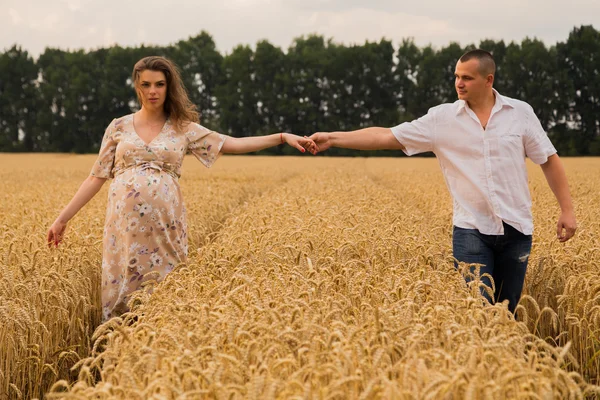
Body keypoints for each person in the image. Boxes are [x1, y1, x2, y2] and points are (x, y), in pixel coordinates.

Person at [304, 49, 577, 313]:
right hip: (471, 231)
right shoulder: (442, 119)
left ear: (488, 80)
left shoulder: (520, 113)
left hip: (516, 229)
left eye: (467, 78)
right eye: (457, 76)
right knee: (477, 312)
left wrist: (567, 210)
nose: (459, 83)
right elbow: (386, 136)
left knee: (508, 310)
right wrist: (333, 138)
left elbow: (548, 160)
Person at [47, 56, 314, 321]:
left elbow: (230, 143)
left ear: (168, 86)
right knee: (122, 296)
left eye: (160, 84)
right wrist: (62, 219)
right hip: (123, 230)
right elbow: (96, 177)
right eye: (146, 84)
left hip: (165, 227)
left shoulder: (183, 128)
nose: (153, 91)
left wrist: (281, 137)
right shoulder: (118, 126)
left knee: (163, 291)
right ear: (137, 86)